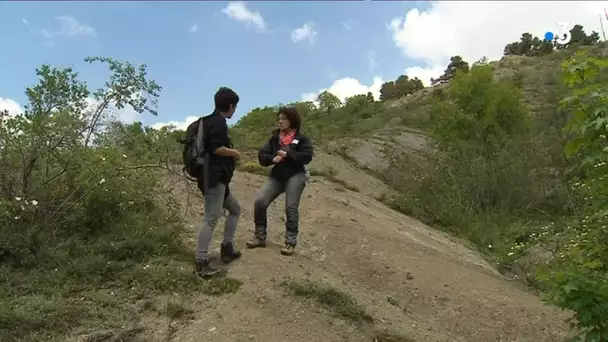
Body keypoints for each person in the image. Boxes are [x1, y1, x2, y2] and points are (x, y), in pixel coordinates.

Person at [246, 106, 314, 255]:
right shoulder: (274, 139)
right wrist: (272, 159)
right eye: (280, 118)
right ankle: (259, 237)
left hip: (296, 175)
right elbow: (262, 157)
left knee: (290, 207)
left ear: (292, 120)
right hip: (277, 176)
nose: (280, 121)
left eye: (284, 118)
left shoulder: (302, 139)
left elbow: (307, 156)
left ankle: (290, 242)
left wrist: (289, 153)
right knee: (260, 202)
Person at [195, 87, 242, 278]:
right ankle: (201, 261)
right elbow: (215, 149)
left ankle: (227, 248)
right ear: (230, 106)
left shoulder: (208, 121)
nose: (235, 110)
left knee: (235, 209)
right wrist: (235, 153)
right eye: (235, 106)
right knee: (210, 219)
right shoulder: (219, 122)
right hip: (214, 179)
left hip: (216, 178)